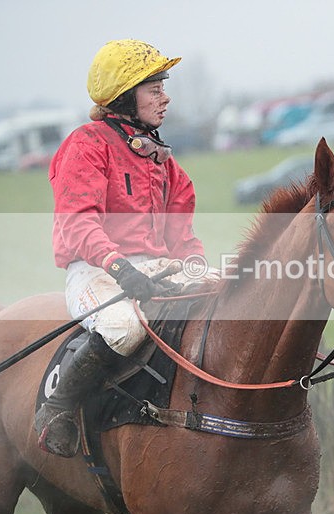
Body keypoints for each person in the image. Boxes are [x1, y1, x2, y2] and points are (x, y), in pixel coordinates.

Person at [35, 39, 206, 458]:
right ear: (125, 98)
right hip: (93, 268)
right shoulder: (86, 145)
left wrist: (200, 266)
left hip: (156, 266)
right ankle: (56, 410)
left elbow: (182, 237)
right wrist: (118, 265)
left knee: (221, 297)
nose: (165, 97)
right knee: (124, 327)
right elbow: (78, 223)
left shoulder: (163, 162)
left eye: (163, 87)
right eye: (155, 89)